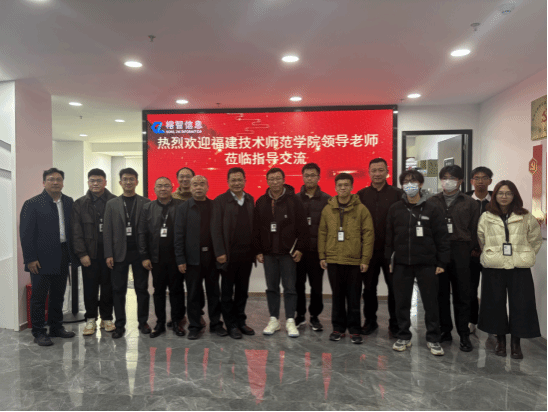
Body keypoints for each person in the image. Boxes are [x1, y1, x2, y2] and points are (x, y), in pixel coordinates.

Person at [386, 170, 450, 356]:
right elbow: (389, 237)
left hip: (427, 263)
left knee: (431, 303)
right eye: (406, 182)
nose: (409, 185)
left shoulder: (432, 208)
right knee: (402, 302)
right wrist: (389, 259)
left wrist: (442, 262)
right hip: (401, 263)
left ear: (421, 184)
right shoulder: (395, 208)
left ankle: (433, 338)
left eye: (413, 181)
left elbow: (442, 237)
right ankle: (403, 336)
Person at [477, 181, 543, 360]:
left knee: (521, 305)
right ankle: (500, 342)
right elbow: (481, 238)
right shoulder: (487, 216)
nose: (504, 196)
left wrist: (526, 254)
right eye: (500, 193)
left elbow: (535, 239)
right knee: (495, 304)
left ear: (514, 195)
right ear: (495, 196)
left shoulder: (525, 216)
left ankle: (516, 344)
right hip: (494, 266)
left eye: (508, 193)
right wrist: (490, 253)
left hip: (519, 267)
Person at [20, 168, 78, 346]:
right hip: (40, 258)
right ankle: (38, 332)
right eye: (51, 179)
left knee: (58, 295)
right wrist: (30, 258)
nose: (55, 182)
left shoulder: (68, 202)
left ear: (63, 183)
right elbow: (26, 233)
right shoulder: (32, 203)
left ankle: (56, 327)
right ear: (44, 182)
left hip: (63, 254)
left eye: (58, 179)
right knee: (39, 297)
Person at [427, 165, 480, 352]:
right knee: (440, 294)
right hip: (438, 251)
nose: (448, 181)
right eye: (444, 178)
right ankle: (445, 330)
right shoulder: (432, 201)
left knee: (462, 294)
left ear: (460, 181)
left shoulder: (470, 203)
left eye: (452, 178)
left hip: (461, 250)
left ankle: (464, 334)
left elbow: (474, 230)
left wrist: (468, 248)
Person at [318, 173, 374, 345]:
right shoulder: (328, 209)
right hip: (333, 259)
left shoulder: (361, 209)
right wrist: (322, 255)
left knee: (354, 297)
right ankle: (338, 328)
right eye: (340, 185)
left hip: (354, 260)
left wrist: (365, 259)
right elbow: (322, 233)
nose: (343, 188)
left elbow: (368, 234)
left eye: (346, 185)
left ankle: (355, 330)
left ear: (351, 187)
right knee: (337, 296)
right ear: (335, 187)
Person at [253, 168, 309, 338]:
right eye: (271, 179)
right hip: (269, 253)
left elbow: (303, 227)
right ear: (267, 181)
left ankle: (290, 320)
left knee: (290, 288)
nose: (275, 182)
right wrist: (258, 250)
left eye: (278, 178)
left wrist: (300, 248)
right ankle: (274, 320)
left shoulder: (294, 200)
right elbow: (256, 228)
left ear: (284, 180)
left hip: (288, 254)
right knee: (271, 288)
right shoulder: (261, 201)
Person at [174, 176, 227, 340]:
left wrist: (221, 252)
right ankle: (195, 326)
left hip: (212, 258)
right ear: (190, 187)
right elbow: (178, 235)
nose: (198, 187)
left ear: (207, 187)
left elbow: (222, 231)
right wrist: (180, 259)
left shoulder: (215, 206)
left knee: (214, 293)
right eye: (195, 184)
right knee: (193, 294)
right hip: (192, 259)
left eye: (202, 184)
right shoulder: (183, 208)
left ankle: (216, 324)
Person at [103, 168, 151, 339]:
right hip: (118, 254)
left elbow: (149, 231)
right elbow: (107, 230)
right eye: (125, 179)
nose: (128, 182)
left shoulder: (146, 202)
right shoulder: (112, 204)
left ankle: (143, 322)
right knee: (118, 290)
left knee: (142, 289)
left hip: (139, 253)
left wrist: (147, 255)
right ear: (120, 182)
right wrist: (108, 254)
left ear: (137, 181)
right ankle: (119, 325)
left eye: (131, 179)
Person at [357, 158, 402, 336]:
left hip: (391, 251)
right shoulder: (361, 195)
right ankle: (370, 321)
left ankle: (395, 324)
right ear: (369, 172)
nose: (377, 174)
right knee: (368, 289)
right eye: (374, 170)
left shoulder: (397, 194)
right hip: (368, 251)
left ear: (387, 172)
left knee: (394, 289)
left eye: (381, 170)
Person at [212, 167, 256, 340]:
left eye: (239, 180)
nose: (237, 183)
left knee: (242, 291)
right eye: (233, 180)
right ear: (228, 182)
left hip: (246, 254)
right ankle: (230, 324)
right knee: (227, 292)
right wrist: (220, 252)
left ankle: (240, 321)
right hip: (228, 255)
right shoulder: (220, 200)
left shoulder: (250, 199)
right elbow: (215, 229)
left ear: (245, 181)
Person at [138, 177, 185, 338]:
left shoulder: (181, 206)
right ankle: (160, 323)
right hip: (156, 258)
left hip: (176, 257)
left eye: (166, 186)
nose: (163, 189)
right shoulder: (147, 207)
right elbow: (142, 233)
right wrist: (144, 256)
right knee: (158, 292)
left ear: (172, 187)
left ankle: (177, 322)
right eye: (159, 186)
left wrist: (183, 257)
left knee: (177, 291)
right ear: (154, 189)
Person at [71, 168, 117, 336]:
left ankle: (107, 318)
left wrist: (114, 253)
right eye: (92, 181)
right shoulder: (80, 203)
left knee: (108, 287)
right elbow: (76, 231)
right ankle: (90, 319)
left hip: (109, 254)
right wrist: (82, 254)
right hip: (89, 254)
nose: (95, 183)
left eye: (99, 180)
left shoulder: (115, 201)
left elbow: (119, 230)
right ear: (88, 182)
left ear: (105, 182)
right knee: (90, 288)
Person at [295, 163, 331, 332]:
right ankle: (300, 315)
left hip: (317, 251)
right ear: (302, 177)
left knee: (316, 286)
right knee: (298, 285)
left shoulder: (327, 199)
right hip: (299, 251)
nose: (309, 178)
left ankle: (315, 316)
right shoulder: (294, 199)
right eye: (307, 175)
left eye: (313, 175)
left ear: (319, 177)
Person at [465, 166, 494, 333]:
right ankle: (472, 321)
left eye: (484, 178)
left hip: (492, 253)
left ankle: (491, 323)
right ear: (472, 181)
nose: (480, 181)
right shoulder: (464, 199)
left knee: (491, 289)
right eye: (477, 178)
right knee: (470, 289)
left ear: (490, 181)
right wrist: (472, 247)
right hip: (470, 253)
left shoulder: (496, 200)